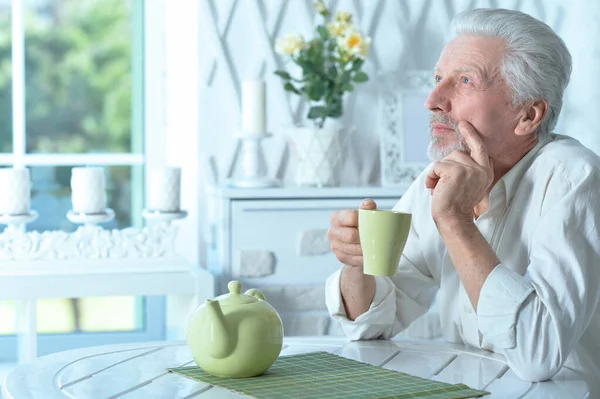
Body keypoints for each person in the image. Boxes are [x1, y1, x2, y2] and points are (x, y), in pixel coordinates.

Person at [325, 7, 600, 390]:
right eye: (438, 78)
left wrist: (456, 221)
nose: (433, 100)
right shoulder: (440, 175)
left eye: (465, 80)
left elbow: (538, 354)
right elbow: (372, 324)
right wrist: (357, 263)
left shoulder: (575, 177)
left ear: (528, 114)